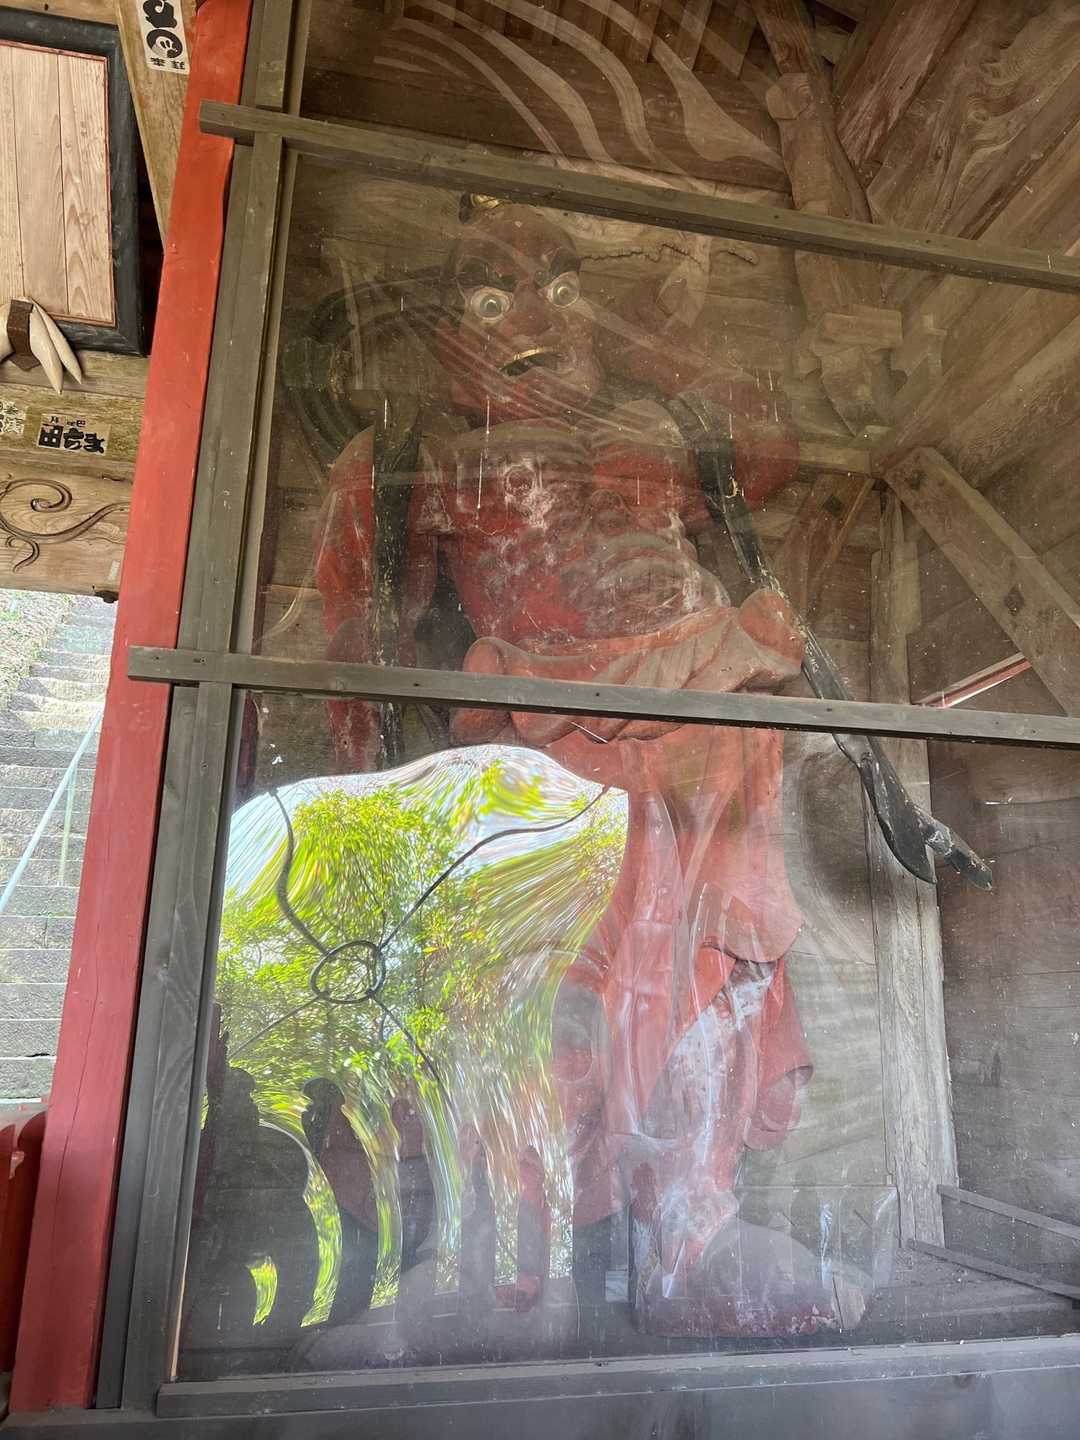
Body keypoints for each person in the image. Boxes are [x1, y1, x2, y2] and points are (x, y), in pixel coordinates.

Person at [312, 199, 838, 1334]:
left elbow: (778, 448)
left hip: (703, 724)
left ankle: (694, 1229)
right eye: (490, 297)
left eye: (561, 289)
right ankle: (522, 1252)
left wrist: (654, 340)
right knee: (543, 999)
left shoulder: (661, 422)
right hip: (543, 737)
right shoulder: (429, 457)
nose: (536, 320)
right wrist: (373, 803)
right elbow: (364, 630)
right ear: (447, 336)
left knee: (717, 977)